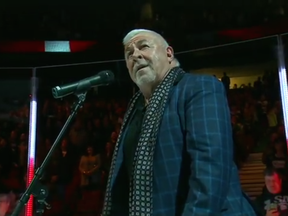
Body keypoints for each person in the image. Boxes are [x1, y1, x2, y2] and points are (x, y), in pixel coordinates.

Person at [102, 29, 257, 216]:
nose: (135, 55)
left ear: (169, 54)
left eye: (143, 46)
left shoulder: (199, 88)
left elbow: (210, 172)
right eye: (129, 54)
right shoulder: (134, 110)